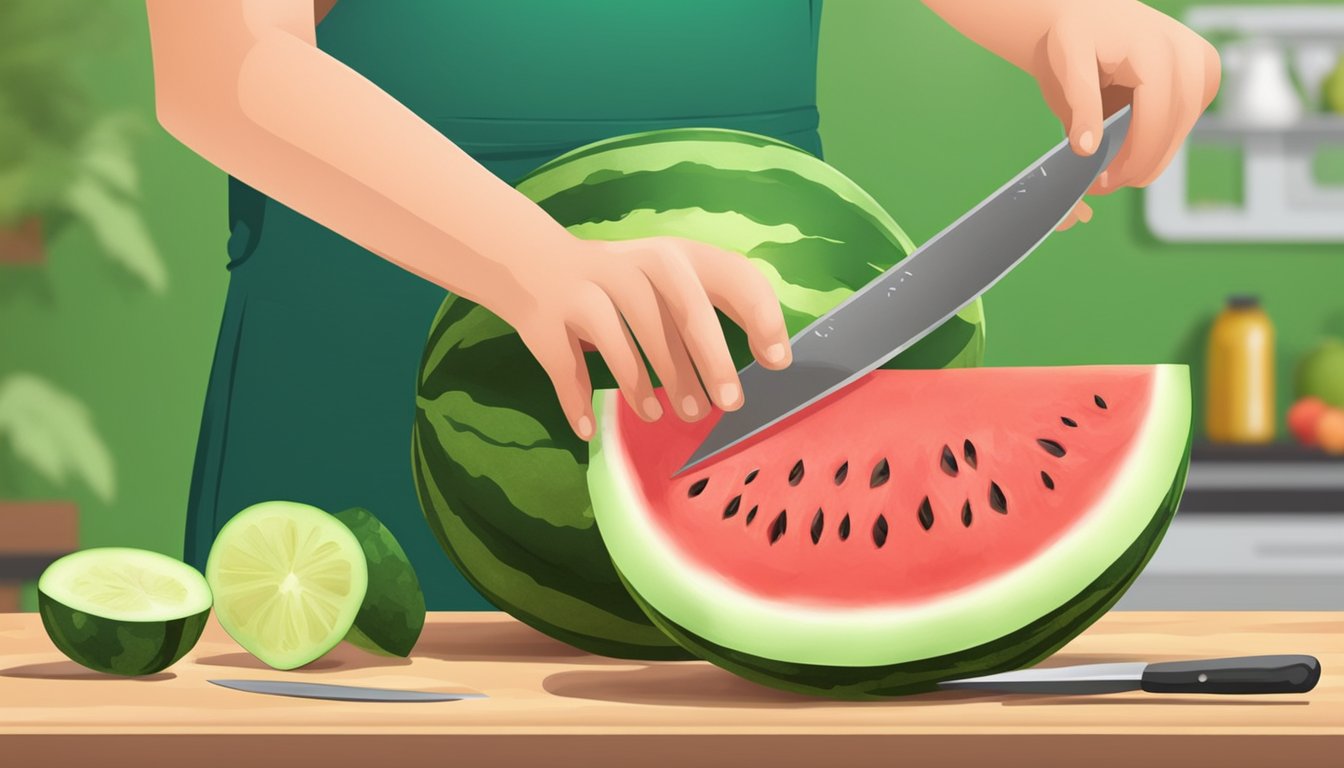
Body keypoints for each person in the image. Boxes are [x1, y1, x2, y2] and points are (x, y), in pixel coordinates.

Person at [146, 0, 1220, 609]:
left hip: (756, 434)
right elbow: (220, 64)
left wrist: (1065, 20)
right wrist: (532, 260)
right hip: (363, 413)